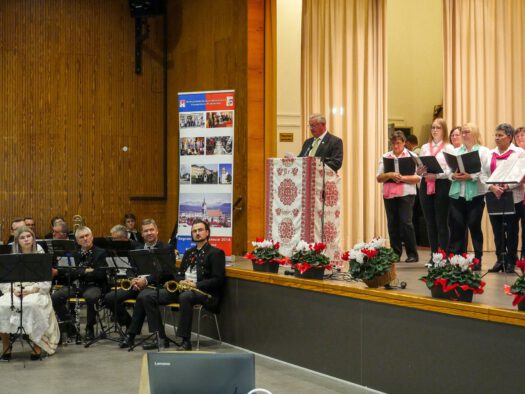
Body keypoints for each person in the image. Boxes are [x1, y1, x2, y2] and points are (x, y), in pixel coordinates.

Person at [121, 219, 225, 351]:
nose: (197, 233)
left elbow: (218, 280)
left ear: (207, 232)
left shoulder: (216, 253)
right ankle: (161, 337)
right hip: (183, 289)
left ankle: (185, 341)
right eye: (194, 231)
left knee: (185, 297)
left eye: (200, 230)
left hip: (204, 293)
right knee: (147, 296)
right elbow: (178, 273)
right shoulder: (189, 252)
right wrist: (180, 280)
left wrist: (196, 284)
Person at [0, 226, 59, 360]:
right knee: (1, 305)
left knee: (32, 305)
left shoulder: (41, 255)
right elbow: (3, 280)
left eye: (29, 236)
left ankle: (37, 344)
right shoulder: (11, 256)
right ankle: (6, 345)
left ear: (33, 238)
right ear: (17, 241)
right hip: (15, 290)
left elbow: (46, 281)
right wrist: (13, 289)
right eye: (22, 237)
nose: (26, 239)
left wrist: (31, 290)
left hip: (36, 290)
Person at [105, 219, 166, 337]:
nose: (149, 233)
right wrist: (132, 279)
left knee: (143, 297)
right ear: (142, 234)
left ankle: (132, 335)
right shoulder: (137, 249)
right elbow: (130, 268)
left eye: (151, 230)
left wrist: (146, 281)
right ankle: (129, 323)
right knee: (109, 298)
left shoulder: (166, 248)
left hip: (155, 286)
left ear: (157, 231)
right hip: (137, 285)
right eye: (146, 231)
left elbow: (164, 272)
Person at [481, 123, 524, 273]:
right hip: (494, 197)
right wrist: (492, 187)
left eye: (500, 135)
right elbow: (482, 174)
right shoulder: (489, 154)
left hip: (513, 197)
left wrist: (507, 186)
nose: (497, 138)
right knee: (497, 230)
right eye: (496, 135)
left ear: (510, 137)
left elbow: (521, 174)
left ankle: (511, 260)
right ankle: (500, 259)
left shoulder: (518, 153)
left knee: (511, 230)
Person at [52, 226, 108, 340]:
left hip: (94, 285)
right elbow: (68, 272)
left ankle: (89, 327)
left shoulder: (101, 253)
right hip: (77, 285)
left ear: (92, 237)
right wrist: (85, 271)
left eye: (87, 236)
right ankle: (70, 327)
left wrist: (78, 272)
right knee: (55, 297)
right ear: (77, 241)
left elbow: (100, 274)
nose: (85, 239)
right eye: (81, 237)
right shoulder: (74, 254)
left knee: (91, 297)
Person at [448, 123, 490, 270]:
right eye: (463, 132)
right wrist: (453, 175)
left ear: (475, 133)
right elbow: (448, 170)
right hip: (458, 194)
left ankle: (477, 259)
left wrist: (470, 176)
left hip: (476, 195)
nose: (464, 135)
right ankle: (457, 259)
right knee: (458, 226)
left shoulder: (484, 151)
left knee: (474, 226)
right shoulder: (456, 151)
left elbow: (486, 172)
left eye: (467, 132)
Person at [376, 131, 420, 262]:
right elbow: (379, 178)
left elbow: (419, 177)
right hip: (389, 194)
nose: (396, 146)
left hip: (406, 193)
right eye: (393, 143)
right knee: (392, 223)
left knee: (406, 223)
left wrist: (403, 177)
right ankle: (395, 253)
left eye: (398, 143)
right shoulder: (385, 156)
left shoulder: (413, 156)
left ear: (404, 143)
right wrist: (389, 174)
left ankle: (412, 254)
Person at [417, 118, 455, 258]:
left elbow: (452, 170)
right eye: (433, 127)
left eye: (438, 128)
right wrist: (419, 171)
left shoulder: (448, 147)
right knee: (430, 222)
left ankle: (443, 256)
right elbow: (419, 166)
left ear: (443, 130)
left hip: (442, 185)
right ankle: (434, 256)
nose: (434, 130)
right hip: (426, 184)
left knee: (441, 222)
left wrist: (437, 176)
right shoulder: (425, 147)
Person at [514, 127, 525, 259]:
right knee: (512, 227)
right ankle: (512, 255)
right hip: (515, 194)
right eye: (517, 136)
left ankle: (523, 254)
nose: (520, 138)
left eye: (523, 135)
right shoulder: (514, 154)